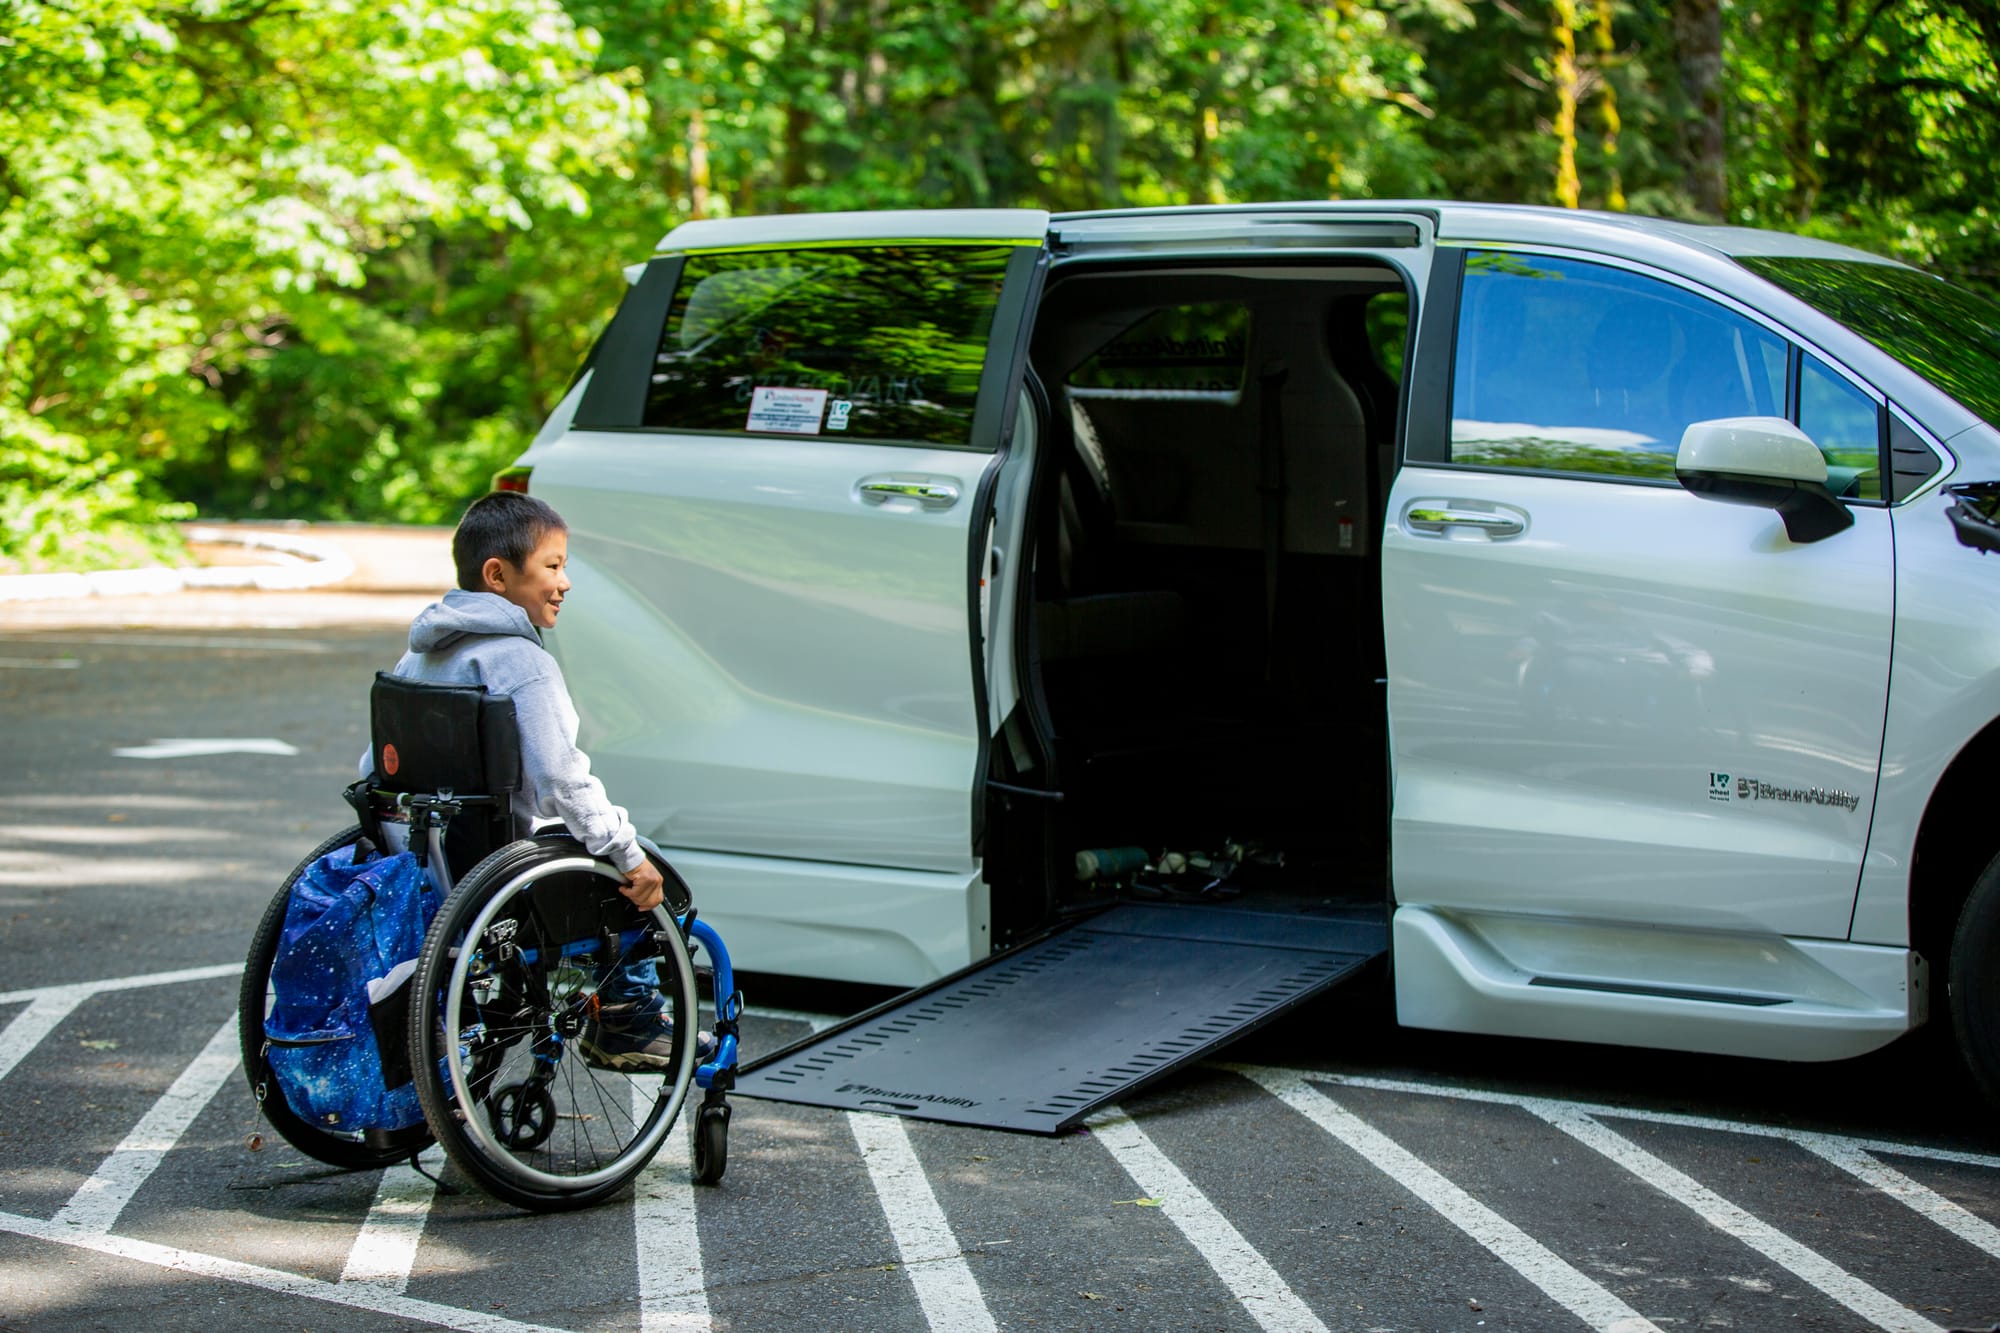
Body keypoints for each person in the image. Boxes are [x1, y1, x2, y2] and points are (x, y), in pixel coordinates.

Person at [362, 491, 700, 1070]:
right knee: (652, 873)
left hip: (426, 864)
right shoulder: (522, 663)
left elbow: (371, 771)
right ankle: (625, 1017)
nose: (565, 582)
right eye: (552, 566)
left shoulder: (416, 660)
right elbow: (561, 781)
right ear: (497, 574)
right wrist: (626, 853)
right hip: (504, 872)